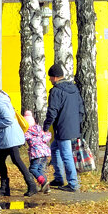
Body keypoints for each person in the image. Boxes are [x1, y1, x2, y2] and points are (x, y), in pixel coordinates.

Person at [0, 84, 39, 196]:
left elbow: (9, 119)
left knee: (16, 160)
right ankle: (5, 188)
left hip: (10, 137)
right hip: (8, 137)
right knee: (1, 160)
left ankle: (31, 185)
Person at [43, 64, 84, 192]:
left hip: (63, 127)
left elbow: (52, 111)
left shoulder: (56, 91)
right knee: (55, 148)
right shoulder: (74, 88)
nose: (49, 80)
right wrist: (78, 123)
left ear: (55, 77)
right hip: (72, 126)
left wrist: (46, 126)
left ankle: (73, 183)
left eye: (50, 77)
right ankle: (59, 178)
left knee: (66, 154)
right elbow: (81, 108)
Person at [22, 110, 52, 193]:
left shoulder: (28, 132)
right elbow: (47, 137)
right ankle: (46, 187)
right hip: (45, 153)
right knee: (41, 170)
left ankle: (43, 182)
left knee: (32, 169)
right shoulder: (39, 130)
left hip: (37, 154)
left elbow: (22, 139)